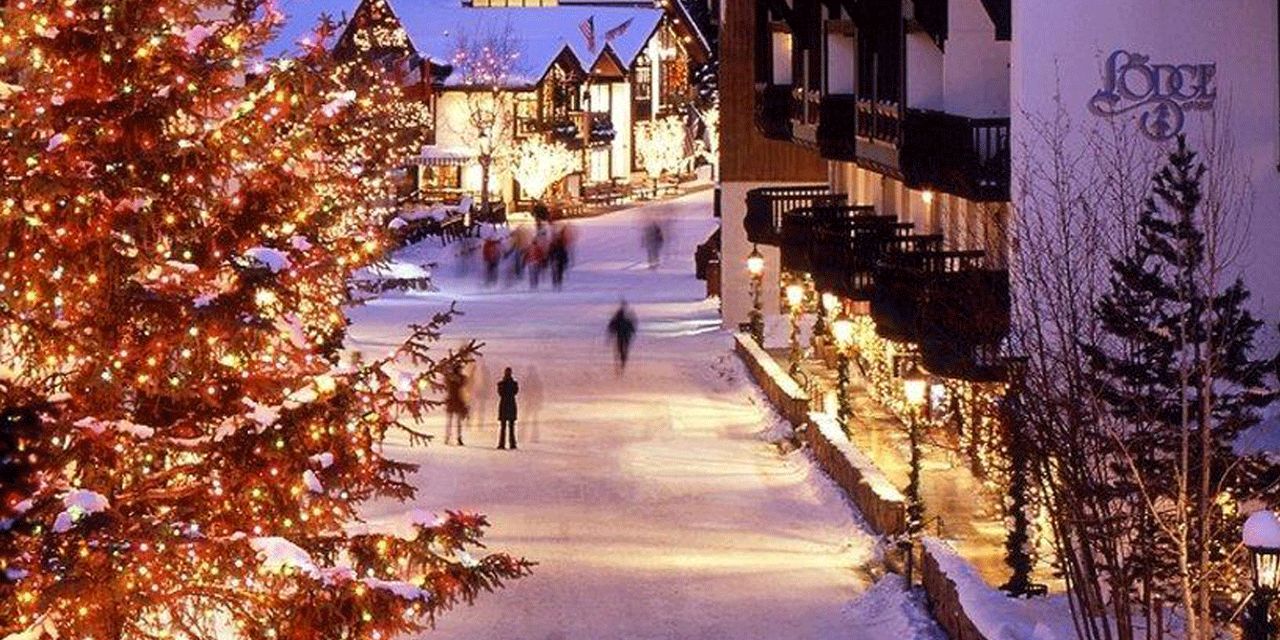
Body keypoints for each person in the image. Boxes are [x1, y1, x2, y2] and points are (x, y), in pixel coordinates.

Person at [607, 301, 638, 374]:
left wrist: (609, 336)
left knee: (620, 351)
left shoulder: (618, 319)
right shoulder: (624, 319)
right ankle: (622, 363)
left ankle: (621, 364)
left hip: (621, 337)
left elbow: (611, 327)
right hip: (625, 337)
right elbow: (632, 328)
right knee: (623, 351)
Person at [443, 363, 469, 446]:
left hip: (455, 400)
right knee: (452, 421)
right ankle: (449, 437)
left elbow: (463, 382)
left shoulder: (458, 378)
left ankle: (456, 437)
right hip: (454, 399)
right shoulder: (453, 378)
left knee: (455, 421)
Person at [497, 367, 519, 450]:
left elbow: (514, 392)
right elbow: (514, 392)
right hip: (509, 405)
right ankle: (509, 443)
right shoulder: (512, 383)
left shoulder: (503, 383)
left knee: (506, 426)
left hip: (505, 405)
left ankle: (504, 443)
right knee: (508, 426)